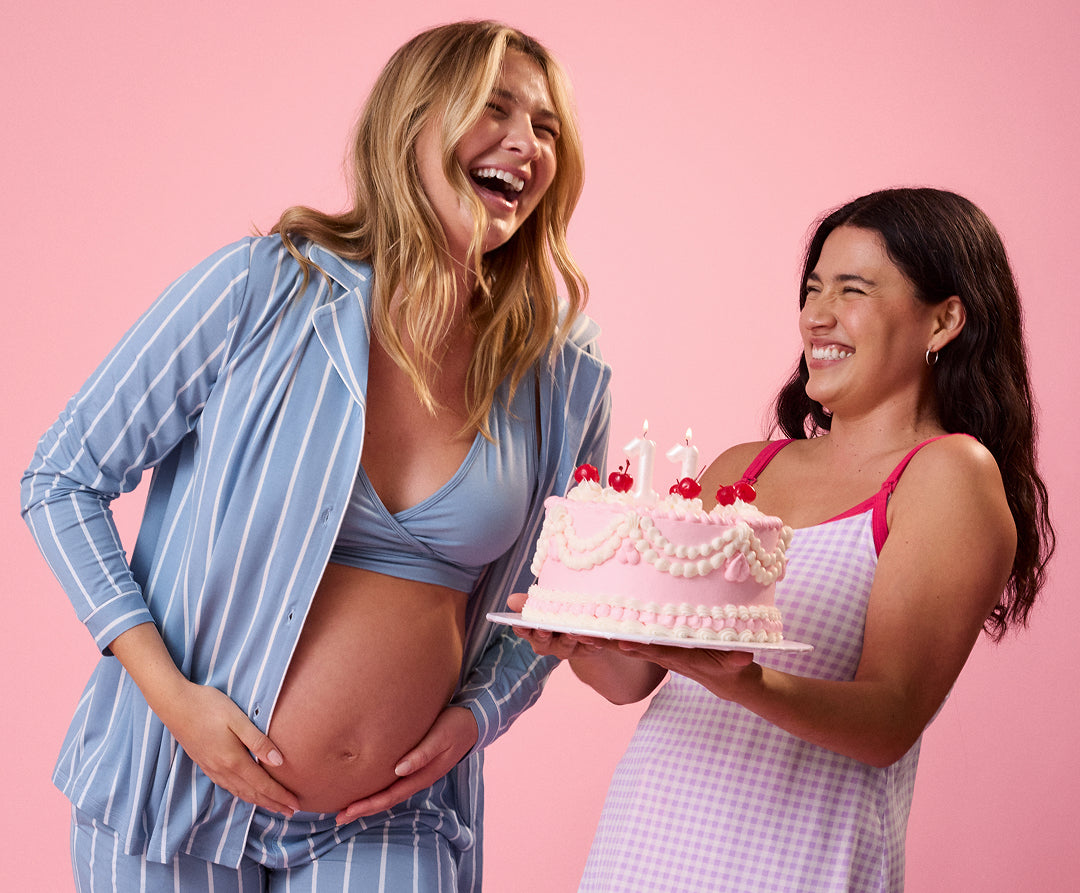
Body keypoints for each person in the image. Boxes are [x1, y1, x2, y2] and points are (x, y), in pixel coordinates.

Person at [21, 20, 610, 891]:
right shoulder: (261, 286)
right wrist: (176, 703)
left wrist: (480, 713)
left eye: (548, 128)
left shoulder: (560, 376)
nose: (526, 144)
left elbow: (565, 599)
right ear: (413, 121)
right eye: (496, 108)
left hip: (390, 815)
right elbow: (62, 478)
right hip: (169, 787)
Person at [510, 187, 1054, 891]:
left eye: (852, 290)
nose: (816, 315)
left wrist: (745, 679)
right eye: (812, 288)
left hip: (796, 867)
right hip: (642, 851)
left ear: (945, 318)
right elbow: (632, 678)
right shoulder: (743, 470)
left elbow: (888, 720)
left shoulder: (948, 476)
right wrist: (579, 641)